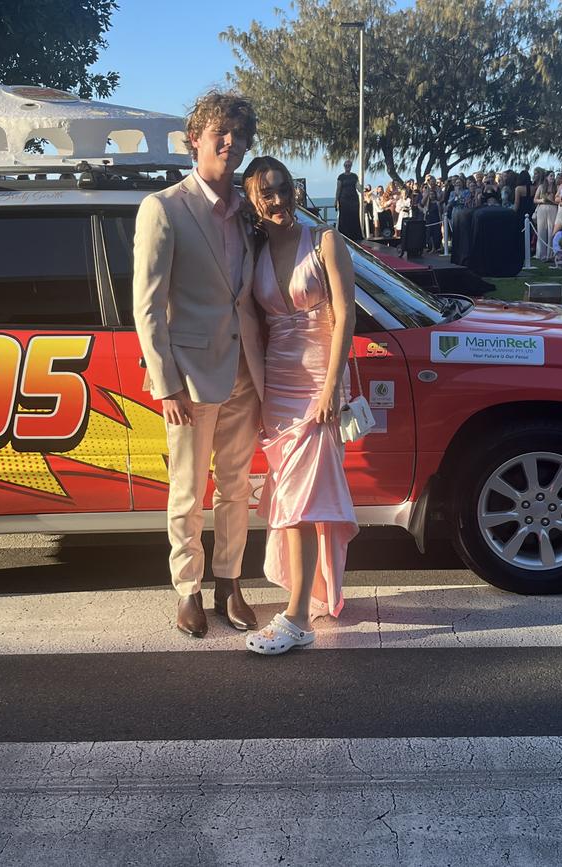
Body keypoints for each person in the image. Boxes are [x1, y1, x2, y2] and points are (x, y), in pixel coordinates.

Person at [133, 90, 263, 639]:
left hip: (244, 373)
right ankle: (186, 588)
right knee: (186, 491)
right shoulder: (163, 208)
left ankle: (229, 580)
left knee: (237, 486)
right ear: (196, 140)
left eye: (239, 136)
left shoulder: (249, 210)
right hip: (188, 377)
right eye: (221, 135)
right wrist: (166, 386)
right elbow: (147, 305)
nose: (231, 145)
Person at [241, 156, 358, 655]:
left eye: (283, 188)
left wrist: (333, 386)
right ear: (252, 201)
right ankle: (305, 600)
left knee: (300, 500)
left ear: (295, 189)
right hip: (277, 387)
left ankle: (295, 618)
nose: (277, 199)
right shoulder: (254, 250)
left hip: (318, 384)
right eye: (265, 192)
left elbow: (347, 313)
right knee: (290, 499)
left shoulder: (325, 241)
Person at [335, 159, 362, 241]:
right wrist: (336, 200)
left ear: (351, 166)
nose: (347, 167)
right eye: (346, 165)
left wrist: (363, 191)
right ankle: (344, 234)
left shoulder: (354, 176)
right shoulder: (341, 177)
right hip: (344, 199)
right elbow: (338, 189)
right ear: (344, 166)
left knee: (354, 217)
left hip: (354, 199)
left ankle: (355, 235)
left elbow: (358, 186)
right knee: (344, 218)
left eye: (349, 165)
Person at [533, 171, 558, 262]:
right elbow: (535, 200)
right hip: (542, 208)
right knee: (541, 230)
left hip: (553, 208)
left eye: (553, 176)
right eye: (551, 176)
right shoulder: (541, 187)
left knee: (551, 230)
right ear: (546, 177)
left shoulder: (556, 187)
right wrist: (541, 200)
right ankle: (540, 253)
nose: (552, 177)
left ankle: (550, 254)